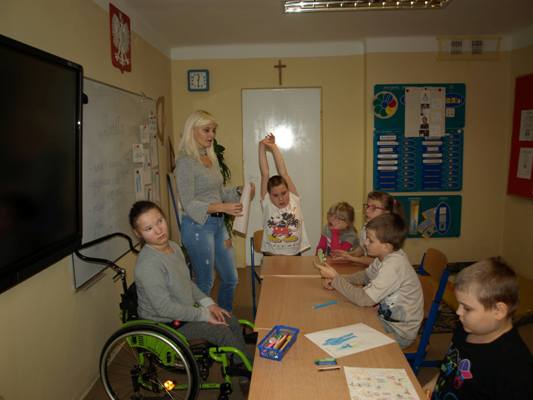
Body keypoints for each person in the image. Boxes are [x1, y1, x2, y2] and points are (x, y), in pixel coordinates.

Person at [129, 200, 254, 366]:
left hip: (183, 311)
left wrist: (210, 305)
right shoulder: (148, 265)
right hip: (166, 323)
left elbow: (186, 284)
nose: (159, 230)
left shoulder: (174, 247)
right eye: (148, 228)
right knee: (222, 332)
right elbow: (165, 309)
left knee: (230, 320)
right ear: (138, 233)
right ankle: (246, 368)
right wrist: (204, 315)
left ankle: (240, 363)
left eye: (159, 221)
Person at [175, 110, 254, 312]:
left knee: (230, 278)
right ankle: (201, 323)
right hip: (198, 227)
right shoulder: (185, 162)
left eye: (213, 130)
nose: (211, 135)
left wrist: (239, 191)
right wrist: (222, 207)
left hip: (218, 225)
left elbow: (219, 193)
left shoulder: (210, 158)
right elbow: (188, 203)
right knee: (205, 282)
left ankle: (223, 319)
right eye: (206, 130)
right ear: (192, 131)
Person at [426, 258, 533, 400]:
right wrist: (429, 387)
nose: (458, 312)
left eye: (467, 308)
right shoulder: (465, 327)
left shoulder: (515, 367)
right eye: (459, 304)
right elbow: (448, 367)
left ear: (498, 311)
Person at [315, 213, 423, 349]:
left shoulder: (393, 266)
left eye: (370, 240)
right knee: (342, 319)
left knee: (341, 334)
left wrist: (336, 279)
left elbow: (364, 299)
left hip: (398, 332)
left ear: (386, 246)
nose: (365, 243)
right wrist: (336, 280)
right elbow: (365, 276)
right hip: (384, 319)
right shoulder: (384, 257)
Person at [258, 133, 310, 255]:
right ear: (269, 195)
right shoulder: (267, 202)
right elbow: (265, 173)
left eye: (284, 193)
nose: (281, 198)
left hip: (294, 254)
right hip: (271, 254)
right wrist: (261, 147)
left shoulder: (294, 199)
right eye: (275, 195)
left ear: (288, 191)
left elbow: (283, 172)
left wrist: (273, 147)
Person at [332, 191, 401, 266]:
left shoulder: (387, 232)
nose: (367, 210)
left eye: (374, 208)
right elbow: (362, 248)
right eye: (367, 206)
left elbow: (377, 261)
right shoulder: (367, 226)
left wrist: (351, 258)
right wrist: (348, 254)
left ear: (386, 212)